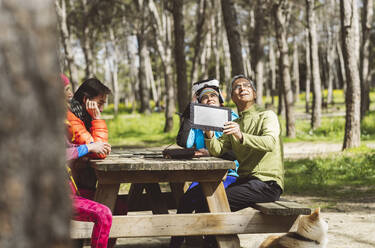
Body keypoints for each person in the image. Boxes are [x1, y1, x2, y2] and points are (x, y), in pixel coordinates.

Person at [170, 79, 239, 248]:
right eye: (204, 97)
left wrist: (212, 152)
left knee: (206, 203)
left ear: (220, 99)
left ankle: (211, 243)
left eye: (213, 95)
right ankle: (175, 243)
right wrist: (191, 110)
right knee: (186, 202)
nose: (209, 99)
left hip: (230, 174)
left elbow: (237, 149)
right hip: (204, 175)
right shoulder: (197, 121)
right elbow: (184, 142)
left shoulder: (233, 118)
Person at [204, 74, 284, 212]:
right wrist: (209, 134)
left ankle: (219, 234)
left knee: (213, 203)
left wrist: (240, 135)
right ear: (232, 97)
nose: (242, 88)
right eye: (237, 87)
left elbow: (269, 143)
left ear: (254, 93)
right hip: (245, 182)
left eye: (247, 85)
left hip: (267, 184)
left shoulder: (267, 115)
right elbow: (217, 150)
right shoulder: (234, 123)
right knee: (199, 199)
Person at [66, 78, 127, 247]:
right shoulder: (71, 118)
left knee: (120, 206)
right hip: (73, 190)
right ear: (86, 100)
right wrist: (98, 118)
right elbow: (101, 152)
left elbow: (99, 147)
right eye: (99, 103)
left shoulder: (80, 116)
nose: (101, 108)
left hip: (81, 186)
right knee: (112, 208)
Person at [66, 141, 112, 248]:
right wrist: (88, 147)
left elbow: (69, 147)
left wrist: (95, 146)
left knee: (120, 206)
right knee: (104, 214)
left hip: (72, 193)